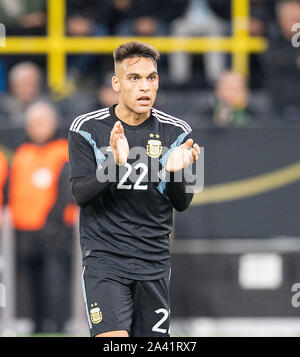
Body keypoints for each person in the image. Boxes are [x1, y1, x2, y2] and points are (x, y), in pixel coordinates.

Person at [68, 41, 200, 337]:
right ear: (116, 83)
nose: (145, 87)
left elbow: (182, 203)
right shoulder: (86, 128)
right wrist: (114, 165)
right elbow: (80, 194)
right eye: (134, 78)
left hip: (153, 261)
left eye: (151, 77)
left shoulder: (178, 132)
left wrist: (176, 172)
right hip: (105, 259)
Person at [9, 102, 76, 333]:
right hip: (25, 229)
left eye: (42, 122)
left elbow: (68, 190)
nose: (37, 128)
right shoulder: (22, 154)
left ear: (53, 123)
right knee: (31, 281)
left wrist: (54, 220)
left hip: (55, 229)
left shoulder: (63, 150)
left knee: (56, 280)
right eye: (33, 123)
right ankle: (37, 325)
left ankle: (58, 326)